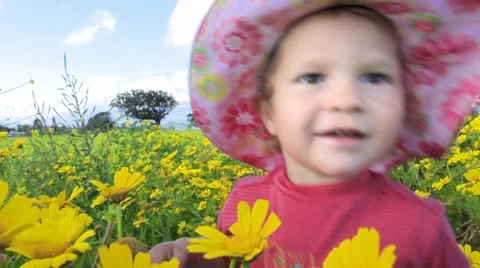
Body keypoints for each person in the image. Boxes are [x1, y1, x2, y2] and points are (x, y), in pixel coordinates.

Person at [150, 1, 479, 267]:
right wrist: (188, 254)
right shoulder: (244, 201)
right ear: (269, 113)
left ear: (405, 105)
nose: (347, 100)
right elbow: (226, 256)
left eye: (375, 78)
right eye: (311, 77)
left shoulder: (422, 228)